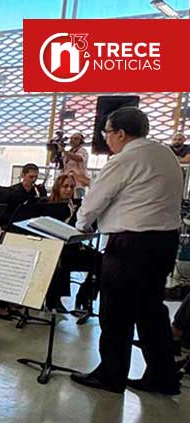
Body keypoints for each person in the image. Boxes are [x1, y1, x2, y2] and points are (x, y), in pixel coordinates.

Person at [72, 107, 183, 395]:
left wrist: (81, 225)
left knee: (115, 312)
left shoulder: (125, 159)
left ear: (121, 133)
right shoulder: (165, 153)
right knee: (151, 311)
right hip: (163, 242)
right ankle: (163, 376)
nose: (106, 138)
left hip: (131, 244)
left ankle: (111, 375)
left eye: (107, 132)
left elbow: (97, 197)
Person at [45, 174, 99, 313]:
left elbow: (88, 224)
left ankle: (84, 296)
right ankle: (53, 301)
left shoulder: (79, 205)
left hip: (74, 247)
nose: (69, 190)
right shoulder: (47, 205)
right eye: (65, 186)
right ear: (58, 187)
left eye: (72, 187)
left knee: (101, 260)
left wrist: (88, 227)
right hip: (54, 248)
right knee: (58, 260)